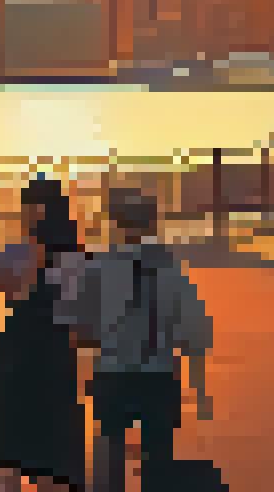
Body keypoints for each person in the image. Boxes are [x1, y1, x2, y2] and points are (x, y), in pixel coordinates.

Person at [60, 187, 214, 492]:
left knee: (108, 457)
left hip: (112, 374)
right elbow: (193, 332)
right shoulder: (170, 267)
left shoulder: (99, 266)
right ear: (152, 225)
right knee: (158, 461)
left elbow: (76, 327)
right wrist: (200, 389)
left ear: (116, 224)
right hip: (159, 376)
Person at [0, 177, 88, 492]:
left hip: (16, 367)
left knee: (8, 460)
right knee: (56, 464)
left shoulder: (17, 254)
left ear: (35, 211)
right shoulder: (80, 260)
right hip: (59, 368)